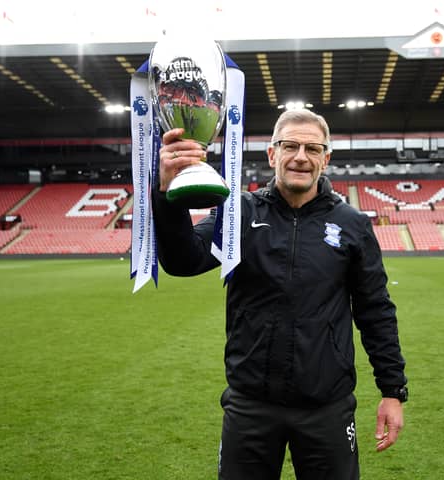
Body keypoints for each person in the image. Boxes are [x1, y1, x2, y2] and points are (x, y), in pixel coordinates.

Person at [152, 109, 407, 480]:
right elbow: (183, 260)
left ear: (326, 158)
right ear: (272, 154)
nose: (301, 156)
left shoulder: (352, 224)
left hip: (327, 407)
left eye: (312, 148)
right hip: (251, 405)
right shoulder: (238, 211)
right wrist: (166, 195)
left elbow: (375, 310)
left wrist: (392, 390)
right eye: (290, 146)